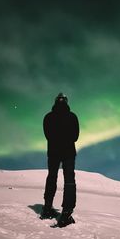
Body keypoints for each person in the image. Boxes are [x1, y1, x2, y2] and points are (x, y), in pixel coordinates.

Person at [40, 93, 79, 227]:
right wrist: (65, 140)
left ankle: (47, 208)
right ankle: (66, 213)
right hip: (68, 152)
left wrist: (57, 140)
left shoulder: (48, 117)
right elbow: (75, 136)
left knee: (52, 177)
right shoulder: (72, 116)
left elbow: (48, 135)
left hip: (53, 152)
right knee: (69, 180)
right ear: (66, 102)